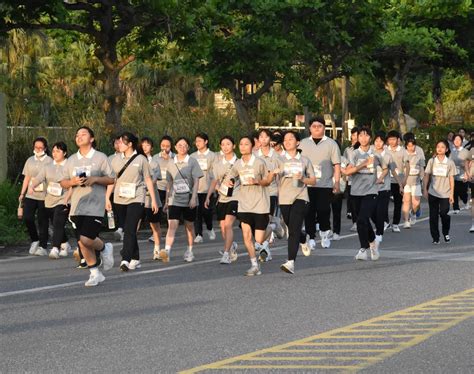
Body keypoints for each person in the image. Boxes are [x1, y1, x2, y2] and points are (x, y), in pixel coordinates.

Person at [60, 126, 115, 287]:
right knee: (82, 243)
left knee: (86, 238)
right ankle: (95, 273)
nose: (79, 136)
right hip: (77, 206)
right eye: (77, 135)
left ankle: (105, 248)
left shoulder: (100, 157)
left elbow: (111, 179)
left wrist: (95, 179)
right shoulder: (71, 160)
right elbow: (63, 182)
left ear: (91, 139)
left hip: (95, 205)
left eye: (83, 134)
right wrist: (72, 182)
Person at [107, 132, 159, 271]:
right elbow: (112, 180)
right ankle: (135, 257)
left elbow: (148, 180)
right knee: (127, 229)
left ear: (130, 144)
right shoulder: (115, 159)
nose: (119, 144)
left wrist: (153, 200)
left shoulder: (141, 159)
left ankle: (125, 259)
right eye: (118, 142)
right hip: (119, 198)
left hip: (137, 197)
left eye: (122, 142)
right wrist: (107, 198)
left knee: (130, 228)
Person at [225, 136, 275, 276]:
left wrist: (257, 181)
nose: (242, 146)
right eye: (240, 144)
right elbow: (232, 175)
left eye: (246, 144)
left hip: (260, 204)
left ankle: (272, 228)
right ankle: (254, 265)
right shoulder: (238, 164)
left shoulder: (259, 162)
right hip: (244, 204)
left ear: (252, 146)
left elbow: (268, 180)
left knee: (258, 240)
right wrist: (230, 181)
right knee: (247, 236)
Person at [275, 131, 316, 274]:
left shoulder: (304, 160)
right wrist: (275, 173)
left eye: (291, 139)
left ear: (297, 142)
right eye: (285, 139)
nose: (287, 141)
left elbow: (313, 180)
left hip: (301, 197)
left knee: (292, 230)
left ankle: (290, 262)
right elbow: (272, 177)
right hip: (284, 198)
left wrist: (303, 179)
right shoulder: (279, 159)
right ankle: (303, 238)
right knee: (293, 227)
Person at [299, 117, 341, 250]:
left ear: (324, 127)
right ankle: (311, 237)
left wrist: (337, 182)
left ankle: (324, 233)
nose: (317, 128)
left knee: (323, 210)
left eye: (320, 126)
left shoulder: (331, 144)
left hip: (325, 184)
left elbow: (337, 165)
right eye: (314, 126)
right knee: (309, 212)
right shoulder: (303, 144)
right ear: (309, 128)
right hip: (307, 184)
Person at [161, 137, 203, 263]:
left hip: (189, 198)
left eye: (185, 145)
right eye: (179, 145)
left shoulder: (192, 161)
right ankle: (167, 251)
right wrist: (167, 200)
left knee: (189, 226)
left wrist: (194, 198)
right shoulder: (170, 162)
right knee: (172, 225)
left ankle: (190, 251)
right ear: (175, 147)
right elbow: (169, 182)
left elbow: (196, 181)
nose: (182, 148)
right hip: (175, 199)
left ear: (189, 147)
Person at [342, 127, 381, 261]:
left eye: (366, 136)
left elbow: (386, 166)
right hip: (355, 191)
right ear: (357, 138)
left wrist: (381, 177)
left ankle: (363, 248)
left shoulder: (376, 153)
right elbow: (348, 172)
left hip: (371, 191)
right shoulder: (354, 154)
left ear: (370, 138)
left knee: (362, 219)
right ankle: (373, 241)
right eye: (361, 136)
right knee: (362, 220)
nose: (363, 138)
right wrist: (363, 165)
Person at [30, 141, 71, 259]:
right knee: (56, 223)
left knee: (58, 222)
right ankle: (65, 243)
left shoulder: (69, 166)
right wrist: (32, 186)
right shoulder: (48, 167)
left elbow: (73, 183)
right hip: (49, 200)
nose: (55, 153)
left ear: (65, 153)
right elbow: (38, 178)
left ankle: (55, 248)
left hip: (64, 199)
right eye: (53, 151)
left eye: (58, 151)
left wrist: (68, 198)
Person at [205, 136, 239, 264]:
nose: (225, 147)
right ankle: (231, 246)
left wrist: (235, 181)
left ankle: (226, 254)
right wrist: (208, 196)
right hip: (222, 198)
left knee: (229, 225)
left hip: (235, 196)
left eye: (228, 144)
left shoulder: (239, 162)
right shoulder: (218, 164)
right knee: (223, 227)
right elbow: (214, 181)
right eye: (223, 144)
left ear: (234, 146)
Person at [19, 137, 53, 256]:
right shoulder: (30, 160)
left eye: (41, 147)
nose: (38, 149)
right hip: (31, 194)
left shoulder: (49, 160)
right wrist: (22, 193)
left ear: (45, 148)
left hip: (44, 195)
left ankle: (43, 246)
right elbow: (27, 178)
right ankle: (35, 239)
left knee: (43, 221)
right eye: (36, 147)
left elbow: (51, 178)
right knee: (28, 218)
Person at [255, 129, 285, 244]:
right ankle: (274, 226)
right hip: (257, 191)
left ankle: (265, 247)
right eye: (261, 137)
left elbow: (282, 174)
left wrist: (280, 191)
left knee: (266, 219)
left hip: (271, 191)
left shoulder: (277, 156)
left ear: (270, 139)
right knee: (260, 221)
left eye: (266, 137)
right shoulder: (255, 155)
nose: (263, 139)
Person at [423, 140, 456, 244]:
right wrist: (425, 189)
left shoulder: (450, 163)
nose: (440, 149)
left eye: (442, 147)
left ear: (446, 149)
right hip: (433, 192)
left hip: (445, 193)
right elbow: (427, 176)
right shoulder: (432, 161)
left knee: (443, 213)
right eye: (438, 147)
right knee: (433, 216)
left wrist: (451, 194)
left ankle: (446, 232)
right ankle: (435, 238)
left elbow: (451, 179)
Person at [140, 137, 163, 260]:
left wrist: (146, 184)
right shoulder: (136, 161)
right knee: (133, 225)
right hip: (137, 198)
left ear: (152, 148)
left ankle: (157, 249)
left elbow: (154, 180)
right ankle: (131, 251)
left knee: (155, 225)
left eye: (147, 145)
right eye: (142, 145)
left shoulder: (154, 163)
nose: (144, 147)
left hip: (151, 199)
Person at [191, 133, 217, 243]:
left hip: (208, 189)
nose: (197, 143)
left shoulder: (213, 156)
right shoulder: (192, 156)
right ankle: (198, 234)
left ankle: (210, 227)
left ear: (206, 141)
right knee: (197, 213)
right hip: (196, 189)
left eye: (200, 141)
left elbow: (216, 173)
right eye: (196, 141)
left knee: (206, 212)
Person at [385, 130, 409, 232]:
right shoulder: (385, 150)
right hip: (386, 180)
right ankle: (385, 222)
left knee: (398, 203)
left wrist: (404, 180)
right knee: (384, 202)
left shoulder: (403, 151)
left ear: (398, 139)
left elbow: (407, 166)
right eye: (390, 139)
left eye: (393, 139)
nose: (391, 141)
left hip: (399, 180)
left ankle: (395, 223)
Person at [372, 132, 392, 243]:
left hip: (385, 187)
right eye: (376, 141)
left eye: (380, 141)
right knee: (371, 212)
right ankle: (381, 223)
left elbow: (392, 170)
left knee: (380, 211)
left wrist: (400, 184)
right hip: (372, 188)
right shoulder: (370, 155)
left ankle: (379, 233)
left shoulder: (388, 156)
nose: (378, 143)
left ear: (384, 143)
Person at [402, 139, 424, 228]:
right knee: (406, 201)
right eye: (409, 146)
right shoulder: (403, 155)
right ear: (406, 146)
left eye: (412, 145)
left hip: (416, 182)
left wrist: (422, 178)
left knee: (416, 203)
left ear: (415, 146)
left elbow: (422, 168)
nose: (411, 147)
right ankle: (406, 221)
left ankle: (413, 213)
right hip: (406, 182)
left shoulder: (419, 156)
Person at [109, 135, 126, 241]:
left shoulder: (130, 157)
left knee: (123, 210)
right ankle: (119, 228)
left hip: (125, 189)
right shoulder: (110, 158)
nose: (118, 145)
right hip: (113, 189)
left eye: (120, 142)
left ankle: (121, 229)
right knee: (115, 210)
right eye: (116, 143)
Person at [343, 127, 359, 231]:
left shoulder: (363, 149)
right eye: (353, 135)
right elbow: (344, 162)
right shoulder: (347, 150)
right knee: (352, 201)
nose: (355, 137)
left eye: (358, 135)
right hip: (350, 179)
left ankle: (361, 220)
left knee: (360, 202)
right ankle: (355, 222)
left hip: (362, 179)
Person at [450, 134, 470, 213]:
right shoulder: (451, 151)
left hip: (463, 173)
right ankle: (456, 208)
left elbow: (470, 162)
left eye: (459, 140)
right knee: (454, 190)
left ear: (461, 141)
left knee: (462, 191)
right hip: (453, 173)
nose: (457, 141)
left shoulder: (465, 151)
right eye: (455, 140)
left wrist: (466, 173)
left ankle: (465, 200)